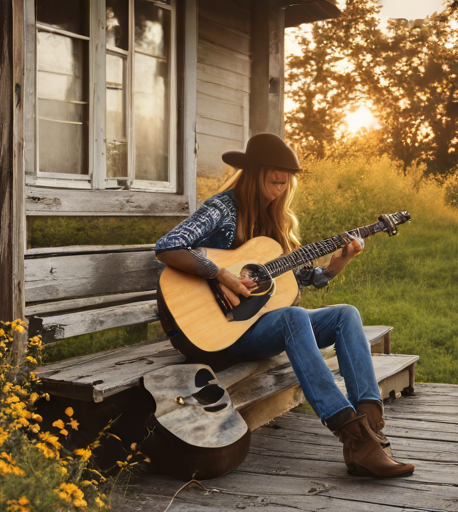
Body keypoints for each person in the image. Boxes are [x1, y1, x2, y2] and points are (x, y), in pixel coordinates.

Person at [155, 133, 414, 478]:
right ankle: (351, 436)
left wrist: (339, 263)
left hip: (255, 327)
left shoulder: (274, 222)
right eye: (276, 178)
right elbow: (168, 246)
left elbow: (306, 278)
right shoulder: (221, 208)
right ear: (255, 172)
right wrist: (223, 276)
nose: (282, 186)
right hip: (215, 332)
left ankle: (372, 436)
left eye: (286, 180)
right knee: (292, 317)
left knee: (346, 315)